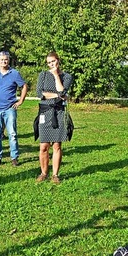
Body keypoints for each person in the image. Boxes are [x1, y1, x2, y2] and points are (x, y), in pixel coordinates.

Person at [0, 51, 28, 167]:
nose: (4, 62)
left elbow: (24, 86)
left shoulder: (14, 73)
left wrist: (21, 101)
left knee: (12, 134)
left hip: (9, 109)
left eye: (6, 59)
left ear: (9, 60)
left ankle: (14, 157)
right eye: (1, 60)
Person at [35, 51, 73, 184]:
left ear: (58, 60)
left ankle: (55, 175)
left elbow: (63, 91)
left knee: (57, 145)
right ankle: (43, 172)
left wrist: (56, 76)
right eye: (49, 62)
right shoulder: (43, 75)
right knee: (44, 145)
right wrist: (58, 96)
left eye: (53, 61)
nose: (52, 64)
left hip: (59, 113)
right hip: (45, 112)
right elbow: (40, 94)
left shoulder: (67, 76)